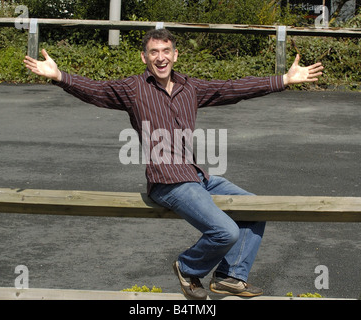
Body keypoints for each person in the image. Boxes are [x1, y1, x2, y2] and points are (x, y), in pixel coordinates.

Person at [24, 28, 323, 300]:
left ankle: (230, 276)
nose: (160, 57)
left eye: (166, 51)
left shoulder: (189, 88)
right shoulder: (134, 88)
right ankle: (187, 266)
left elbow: (233, 88)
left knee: (255, 207)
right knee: (226, 232)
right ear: (144, 57)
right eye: (154, 52)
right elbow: (97, 91)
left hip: (195, 176)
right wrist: (60, 76)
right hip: (167, 181)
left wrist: (283, 79)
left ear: (175, 55)